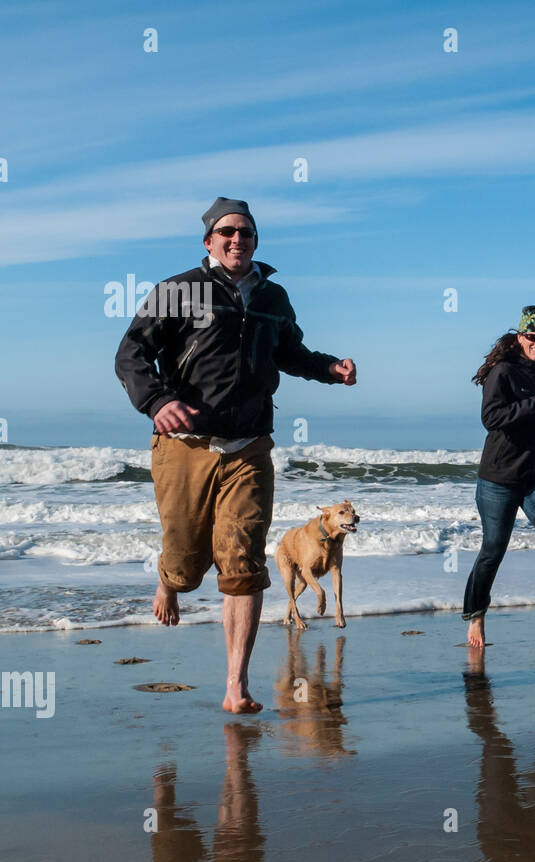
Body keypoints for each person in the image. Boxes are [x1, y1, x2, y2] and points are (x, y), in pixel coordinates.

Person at [115, 197, 357, 714]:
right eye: (226, 232)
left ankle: (235, 685)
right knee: (185, 556)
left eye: (245, 233)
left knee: (244, 561)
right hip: (185, 446)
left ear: (254, 241)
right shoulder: (178, 290)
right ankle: (170, 578)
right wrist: (158, 402)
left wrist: (330, 368)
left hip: (249, 445)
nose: (236, 240)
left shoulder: (274, 296)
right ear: (208, 241)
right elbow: (131, 353)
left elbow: (288, 353)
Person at [463, 305, 535, 647]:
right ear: (520, 337)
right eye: (533, 337)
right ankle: (476, 617)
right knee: (493, 550)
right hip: (499, 477)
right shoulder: (503, 372)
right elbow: (492, 418)